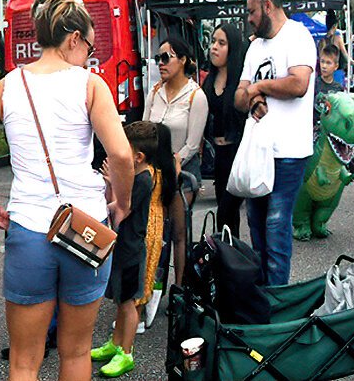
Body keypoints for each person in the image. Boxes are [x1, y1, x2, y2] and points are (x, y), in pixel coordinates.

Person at [0, 0, 134, 381]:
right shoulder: (90, 85)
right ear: (74, 38)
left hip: (28, 227)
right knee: (76, 353)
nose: (90, 57)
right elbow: (121, 154)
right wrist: (124, 203)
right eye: (91, 48)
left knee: (24, 361)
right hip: (87, 227)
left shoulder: (9, 85)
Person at [234, 0, 316, 287]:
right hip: (259, 150)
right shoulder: (255, 47)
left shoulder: (298, 36)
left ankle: (277, 304)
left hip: (289, 153)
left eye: (252, 11)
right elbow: (238, 98)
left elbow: (298, 85)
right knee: (257, 228)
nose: (249, 18)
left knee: (276, 227)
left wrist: (258, 87)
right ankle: (263, 301)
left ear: (268, 6)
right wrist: (253, 96)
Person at [91, 121, 177, 378]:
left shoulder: (141, 179)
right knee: (120, 298)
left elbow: (119, 211)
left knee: (128, 303)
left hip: (130, 247)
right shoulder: (142, 174)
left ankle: (125, 353)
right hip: (125, 245)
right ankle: (115, 343)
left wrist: (109, 183)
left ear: (138, 157)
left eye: (123, 148)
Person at [205, 24, 250, 237]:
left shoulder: (241, 80)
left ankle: (232, 259)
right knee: (226, 218)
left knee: (227, 211)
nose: (214, 47)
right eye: (213, 41)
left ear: (232, 49)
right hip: (219, 156)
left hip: (239, 153)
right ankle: (229, 259)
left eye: (221, 43)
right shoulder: (209, 79)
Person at [143, 37, 207, 187]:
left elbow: (192, 145)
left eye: (165, 58)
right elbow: (144, 129)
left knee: (177, 210)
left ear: (182, 60)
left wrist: (173, 162)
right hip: (154, 171)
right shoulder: (155, 92)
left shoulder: (196, 96)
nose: (160, 63)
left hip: (183, 172)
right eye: (158, 58)